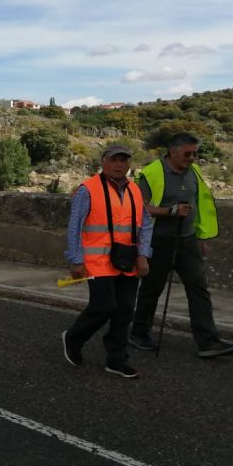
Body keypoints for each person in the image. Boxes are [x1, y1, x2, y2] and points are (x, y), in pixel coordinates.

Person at [129, 133, 233, 358]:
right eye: (187, 153)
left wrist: (200, 238)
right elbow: (138, 208)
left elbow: (197, 206)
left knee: (198, 289)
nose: (192, 158)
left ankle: (208, 342)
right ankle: (139, 333)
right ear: (172, 151)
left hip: (188, 241)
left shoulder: (194, 172)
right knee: (152, 289)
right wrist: (169, 211)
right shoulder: (151, 173)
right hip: (158, 241)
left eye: (194, 153)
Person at [61, 144, 153, 379]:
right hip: (97, 261)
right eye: (115, 160)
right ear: (104, 161)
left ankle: (117, 360)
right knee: (104, 306)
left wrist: (143, 254)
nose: (120, 165)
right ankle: (74, 337)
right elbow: (75, 226)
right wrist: (75, 259)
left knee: (124, 311)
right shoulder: (88, 189)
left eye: (124, 160)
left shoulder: (134, 190)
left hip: (128, 260)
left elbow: (145, 224)